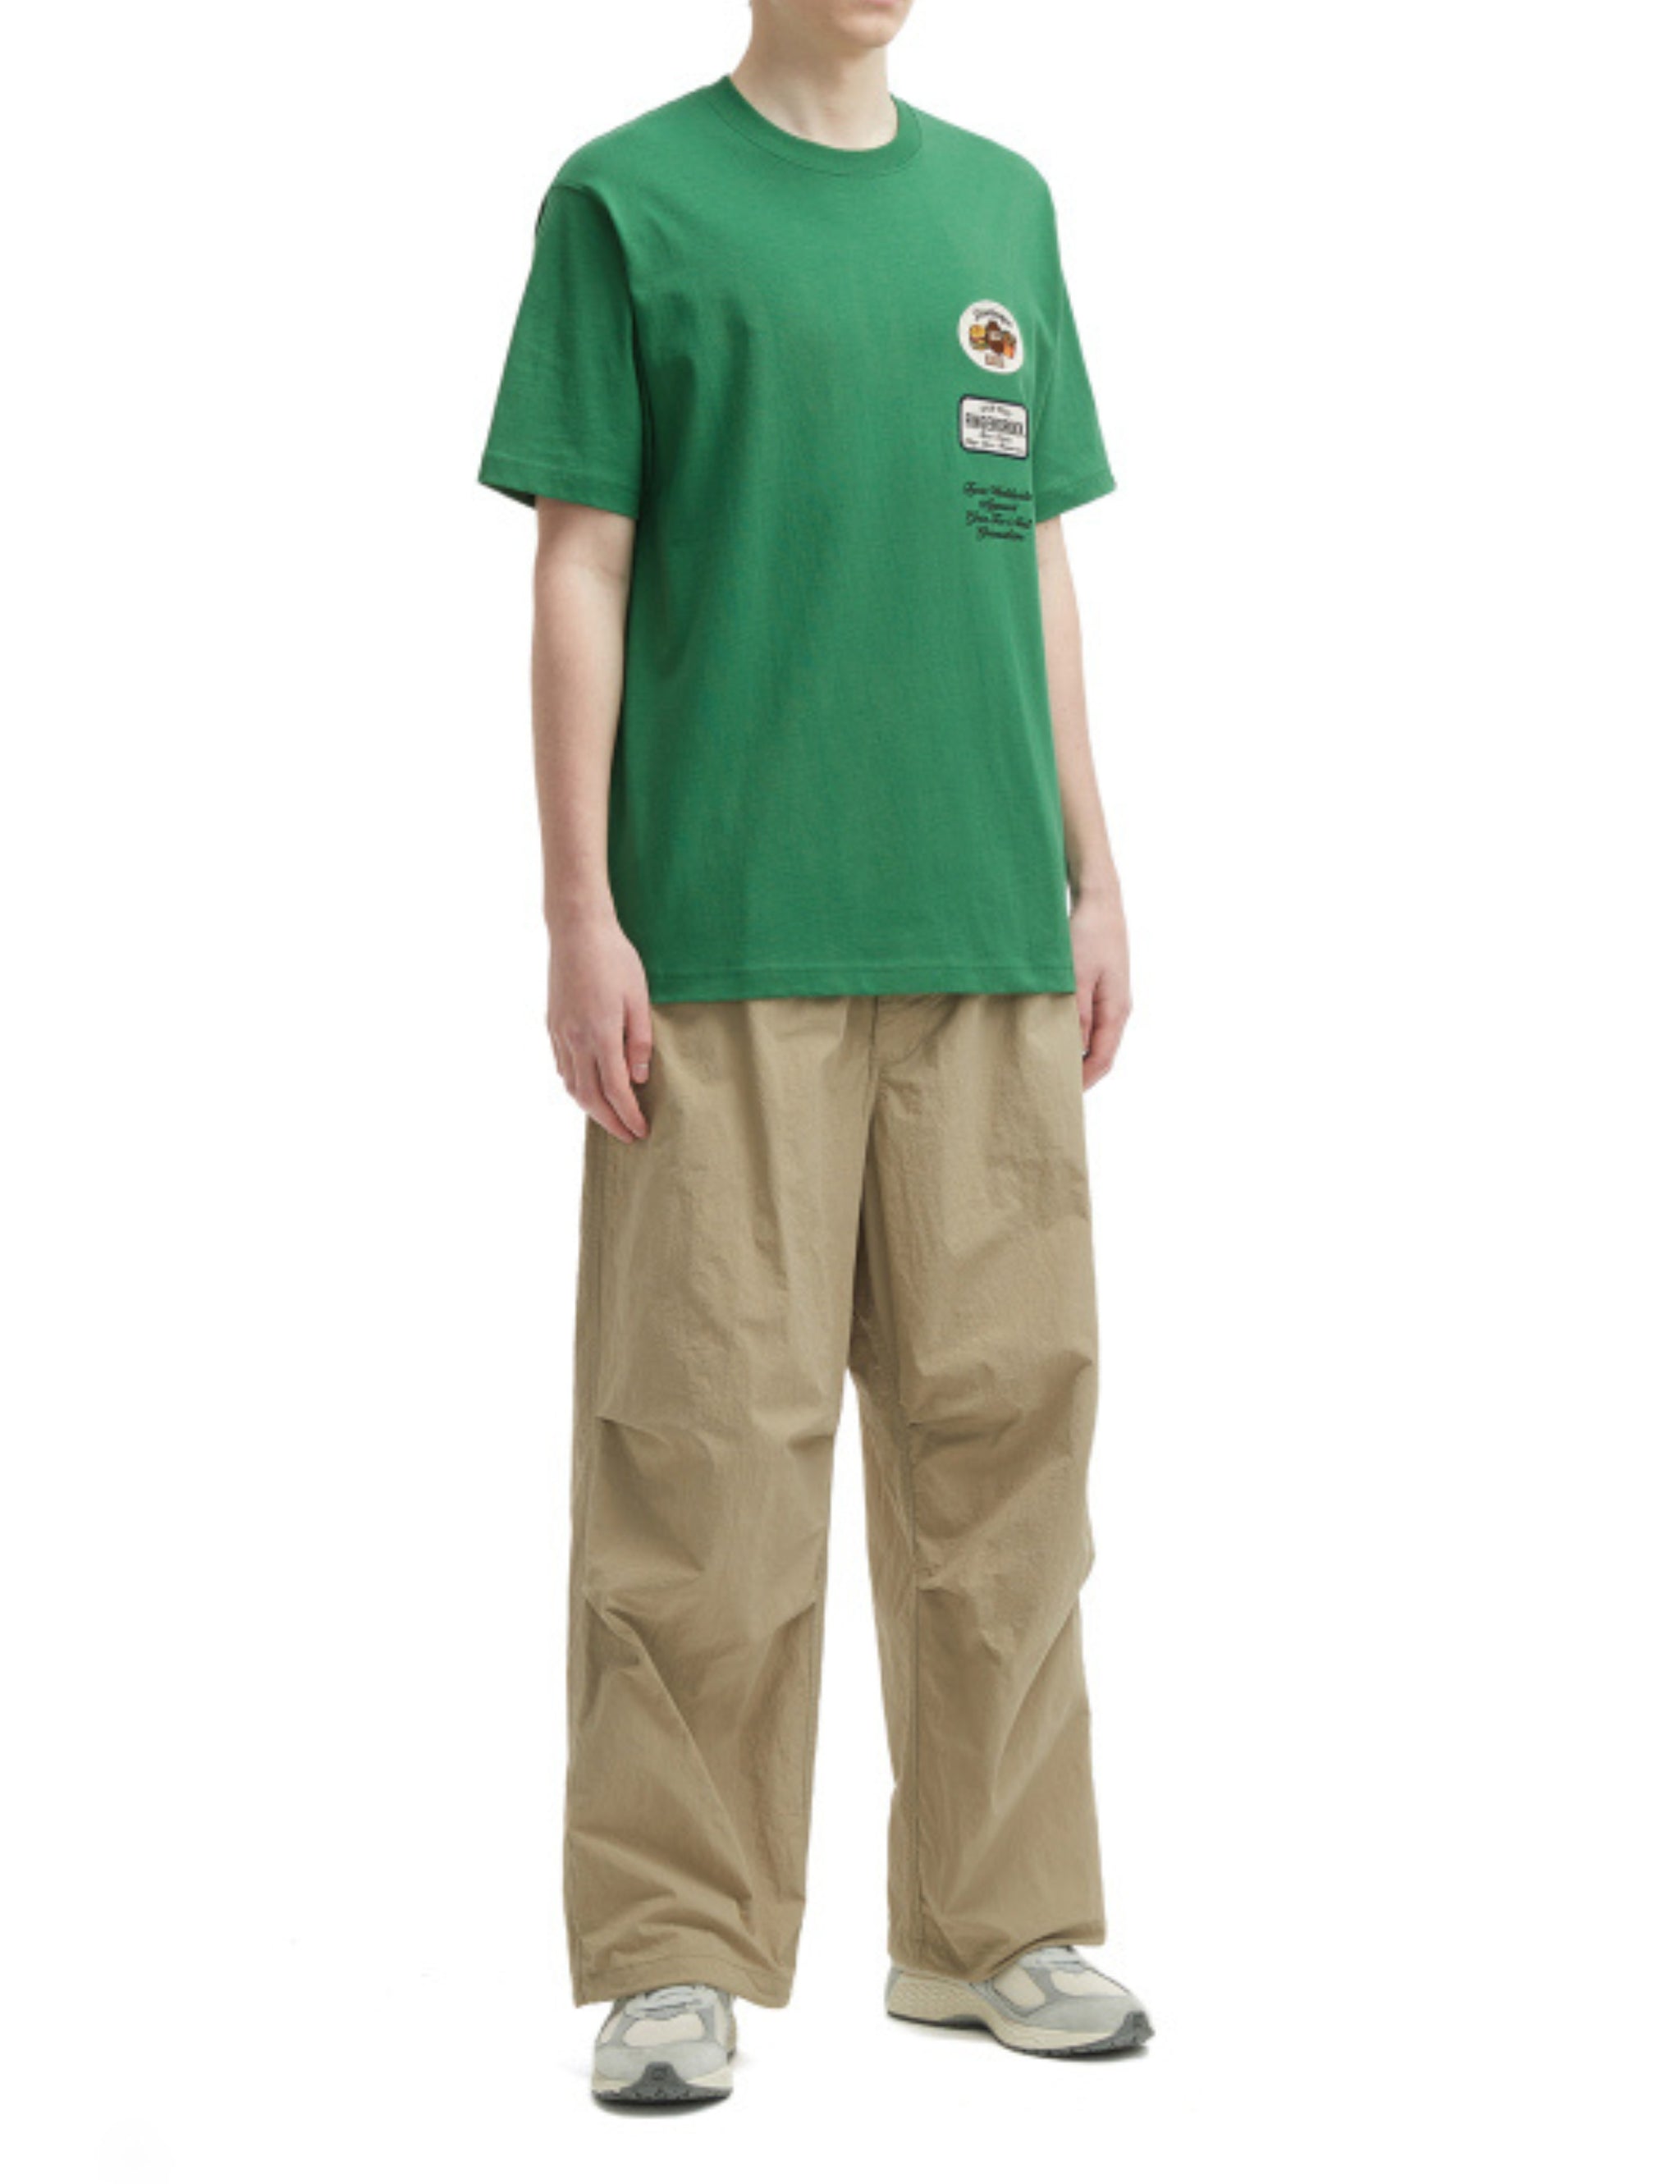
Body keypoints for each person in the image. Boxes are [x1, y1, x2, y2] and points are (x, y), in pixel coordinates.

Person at [480, 0, 1151, 2105]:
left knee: (1006, 1450)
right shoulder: (629, 202)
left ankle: (993, 1920)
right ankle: (673, 1947)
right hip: (725, 941)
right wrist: (579, 907)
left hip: (982, 934)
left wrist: (1093, 867)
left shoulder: (1001, 209)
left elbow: (1036, 556)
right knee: (699, 1458)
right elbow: (580, 562)